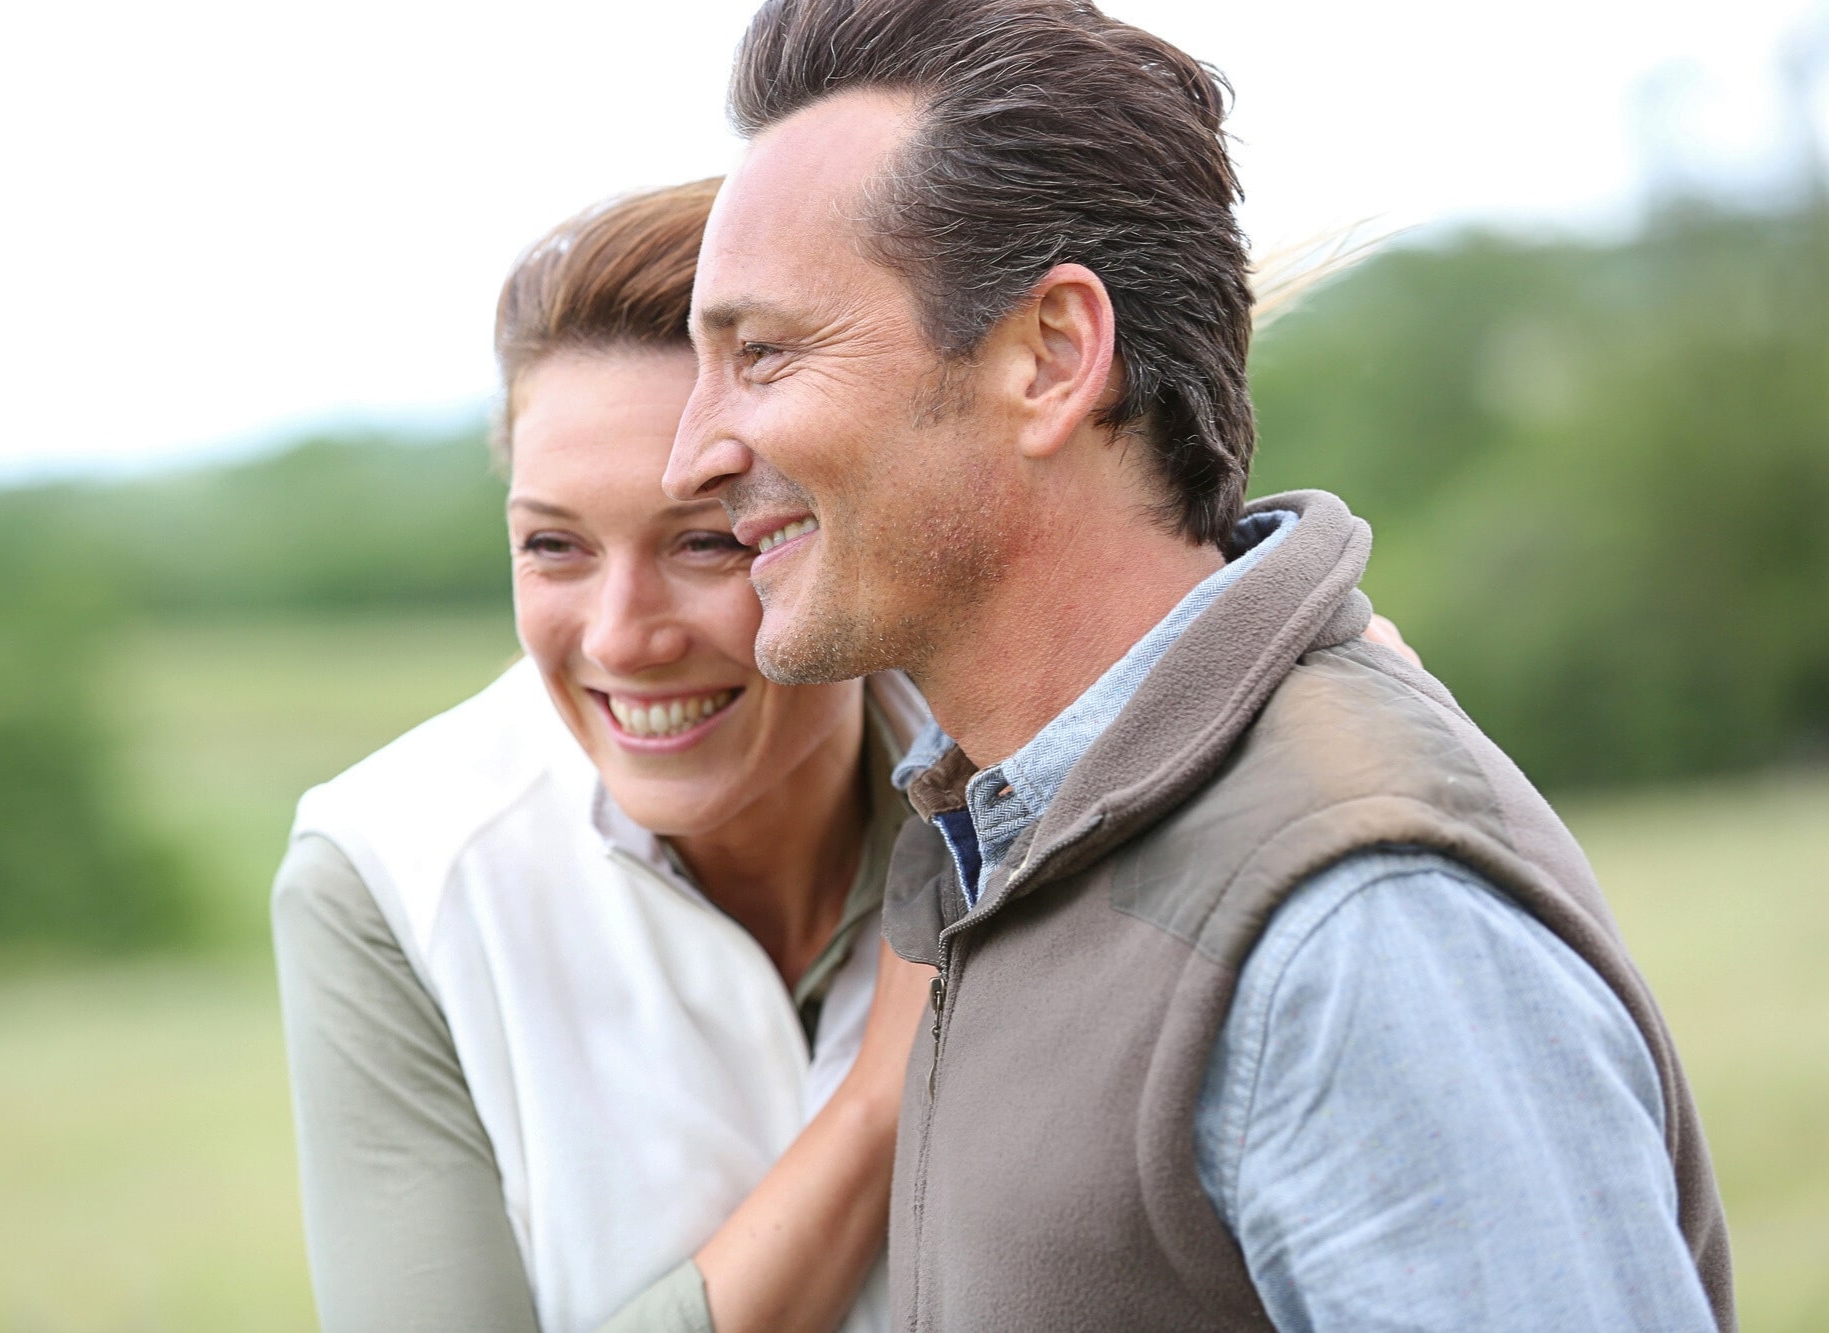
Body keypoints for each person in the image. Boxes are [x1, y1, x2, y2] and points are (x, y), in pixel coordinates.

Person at [664, 2, 1735, 1331]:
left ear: (1051, 357)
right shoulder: (1020, 839)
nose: (691, 456)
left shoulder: (1351, 923)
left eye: (762, 354)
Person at [271, 180, 931, 1333]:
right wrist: (881, 1102)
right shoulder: (386, 878)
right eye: (553, 545)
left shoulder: (1040, 778)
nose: (622, 637)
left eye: (707, 541)